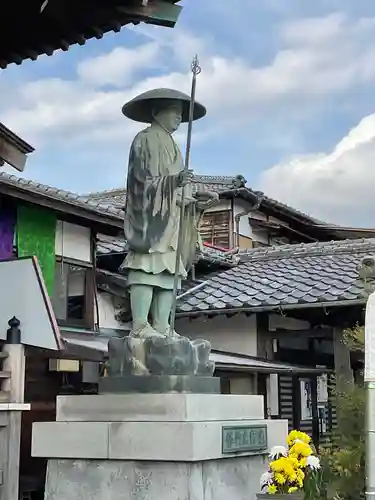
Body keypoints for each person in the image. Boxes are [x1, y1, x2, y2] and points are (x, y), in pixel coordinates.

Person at [120, 88, 218, 338]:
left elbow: (179, 189)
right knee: (146, 267)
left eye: (180, 115)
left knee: (169, 272)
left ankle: (163, 324)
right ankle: (140, 324)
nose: (178, 119)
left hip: (172, 217)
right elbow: (141, 181)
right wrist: (172, 182)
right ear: (157, 112)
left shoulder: (173, 145)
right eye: (174, 113)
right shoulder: (144, 139)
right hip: (152, 218)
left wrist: (195, 202)